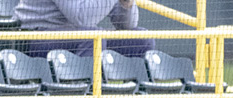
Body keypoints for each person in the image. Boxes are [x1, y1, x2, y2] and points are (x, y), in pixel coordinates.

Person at [15, 0, 154, 58]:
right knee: (92, 37)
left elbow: (127, 25)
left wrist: (126, 4)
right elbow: (82, 18)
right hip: (39, 35)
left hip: (80, 34)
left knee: (141, 39)